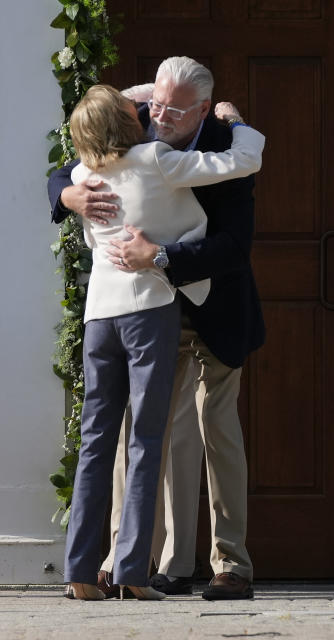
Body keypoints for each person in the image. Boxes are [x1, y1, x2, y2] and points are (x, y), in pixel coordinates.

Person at [48, 56, 266, 601]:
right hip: (147, 311)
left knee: (215, 431)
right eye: (153, 103)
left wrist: (162, 256)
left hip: (210, 303)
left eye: (172, 107)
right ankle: (127, 560)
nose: (158, 113)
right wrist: (67, 195)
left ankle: (229, 563)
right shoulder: (144, 132)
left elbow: (235, 247)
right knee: (136, 437)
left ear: (202, 109)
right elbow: (80, 143)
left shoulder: (207, 141)